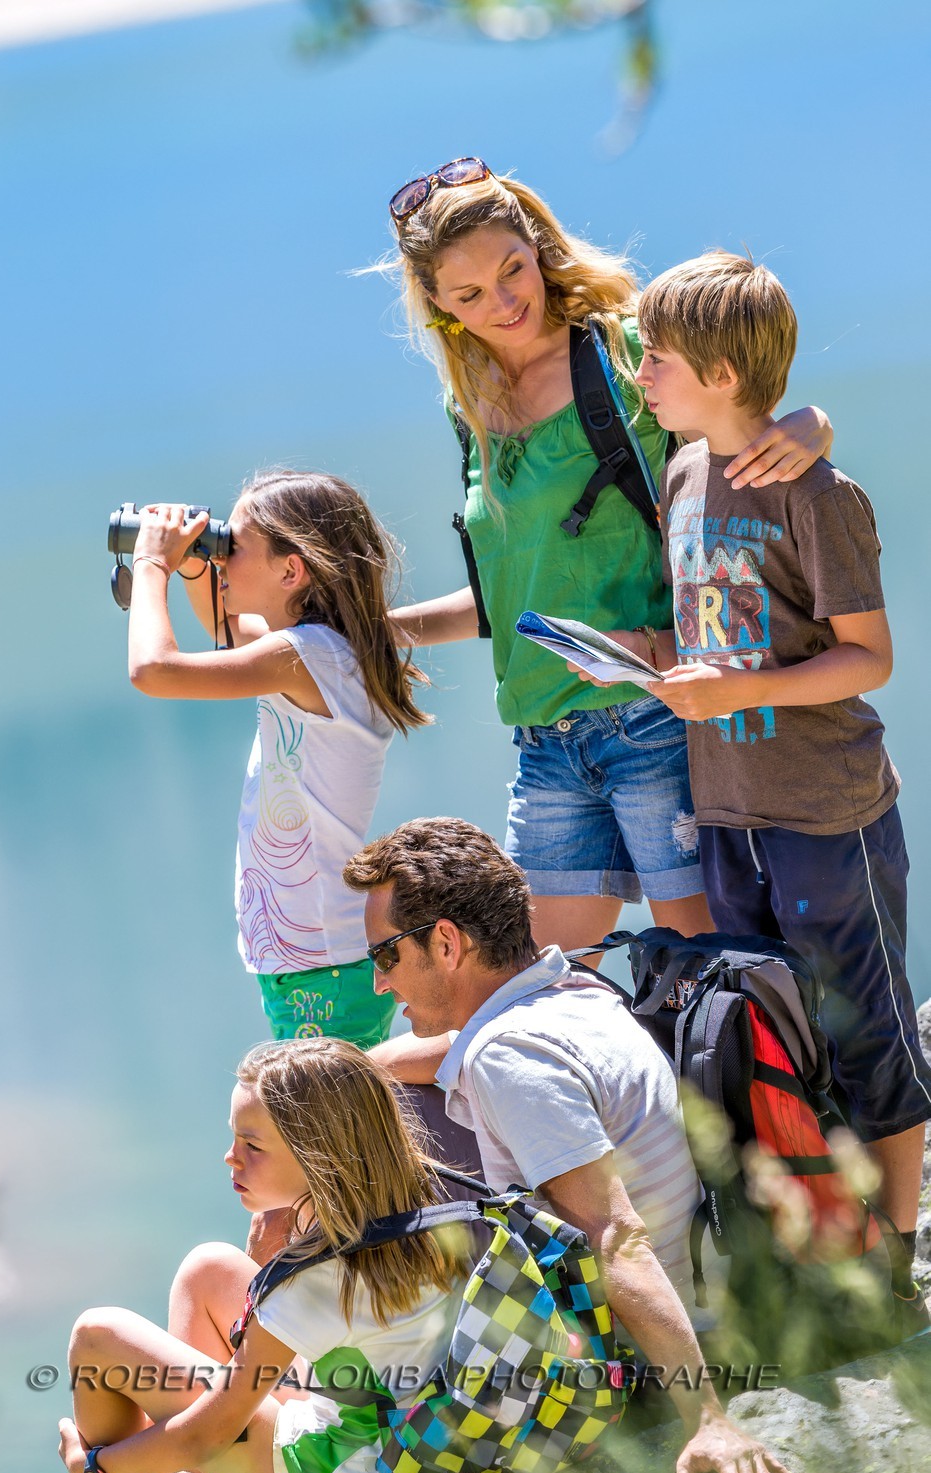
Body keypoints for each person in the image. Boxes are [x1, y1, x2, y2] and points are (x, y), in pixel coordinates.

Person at [383, 157, 835, 955]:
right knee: (532, 984)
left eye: (511, 270)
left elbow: (738, 429)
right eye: (469, 295)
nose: (504, 301)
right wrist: (376, 631)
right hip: (543, 738)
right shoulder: (470, 404)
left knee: (715, 978)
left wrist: (811, 424)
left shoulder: (626, 352)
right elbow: (507, 599)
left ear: (537, 247)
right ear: (438, 308)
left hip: (654, 717)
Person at [599, 250, 930, 1329]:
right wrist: (640, 652)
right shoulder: (685, 475)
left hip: (823, 810)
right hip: (727, 812)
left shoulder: (816, 494)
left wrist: (738, 684)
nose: (640, 374)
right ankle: (821, 1248)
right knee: (776, 1032)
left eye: (657, 358)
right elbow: (714, 628)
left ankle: (899, 1256)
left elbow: (864, 656)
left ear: (723, 373)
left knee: (866, 1029)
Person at [345, 816, 801, 1473]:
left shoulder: (509, 1061)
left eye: (384, 954)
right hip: (711, 1285)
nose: (377, 982)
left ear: (444, 942)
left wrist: (706, 1417)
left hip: (633, 1364)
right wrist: (352, 1071)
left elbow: (615, 1235)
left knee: (350, 1396)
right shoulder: (573, 991)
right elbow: (460, 1053)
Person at [128, 475, 482, 1259]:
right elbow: (229, 633)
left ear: (294, 571)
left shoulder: (307, 654)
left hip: (319, 957)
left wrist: (153, 566)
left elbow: (155, 671)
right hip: (307, 955)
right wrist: (197, 570)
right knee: (322, 1150)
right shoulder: (324, 650)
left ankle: (359, 1305)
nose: (225, 560)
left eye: (237, 548)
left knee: (327, 1159)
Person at [3, 1038, 474, 1473]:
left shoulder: (315, 1276)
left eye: (252, 1144)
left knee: (98, 1338)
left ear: (317, 1154)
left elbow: (207, 1435)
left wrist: (97, 1467)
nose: (231, 1157)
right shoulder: (429, 1216)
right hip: (395, 1451)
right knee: (210, 1270)